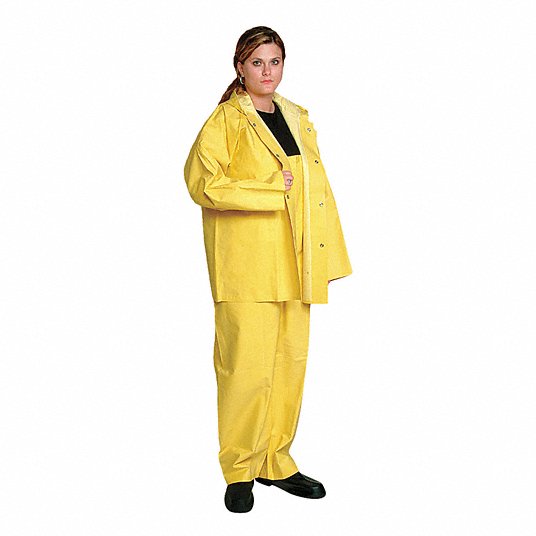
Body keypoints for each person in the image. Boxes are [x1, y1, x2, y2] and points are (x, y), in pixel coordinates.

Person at [183, 26, 352, 513]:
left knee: (288, 365)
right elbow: (202, 183)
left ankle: (275, 461)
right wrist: (270, 188)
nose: (267, 71)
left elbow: (317, 191)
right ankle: (240, 469)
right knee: (245, 370)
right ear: (240, 67)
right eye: (257, 62)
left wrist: (328, 255)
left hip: (296, 259)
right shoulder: (226, 120)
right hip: (248, 265)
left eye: (274, 61)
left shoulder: (297, 117)